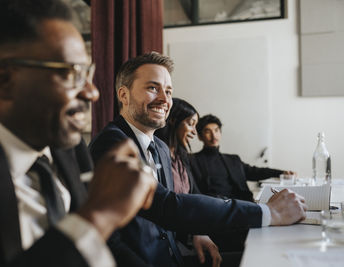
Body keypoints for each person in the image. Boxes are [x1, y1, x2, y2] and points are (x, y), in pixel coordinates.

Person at [0, 1, 158, 266]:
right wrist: (98, 216)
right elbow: (93, 230)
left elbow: (103, 247)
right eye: (71, 73)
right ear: (3, 80)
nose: (92, 92)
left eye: (87, 72)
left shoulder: (69, 146)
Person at [89, 52, 307, 266]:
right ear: (123, 95)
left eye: (168, 91)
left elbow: (172, 209)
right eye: (152, 88)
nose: (165, 100)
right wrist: (268, 212)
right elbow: (167, 206)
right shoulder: (112, 144)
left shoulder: (161, 148)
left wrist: (196, 231)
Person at [155, 98, 222, 267]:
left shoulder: (181, 157)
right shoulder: (156, 156)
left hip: (187, 235)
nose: (194, 131)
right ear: (172, 121)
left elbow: (195, 196)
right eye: (190, 124)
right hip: (169, 242)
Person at [192, 114, 296, 202]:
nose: (213, 136)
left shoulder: (233, 159)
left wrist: (281, 172)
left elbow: (255, 172)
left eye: (216, 130)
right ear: (200, 136)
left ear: (220, 133)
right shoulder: (193, 160)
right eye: (207, 131)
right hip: (218, 208)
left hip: (245, 204)